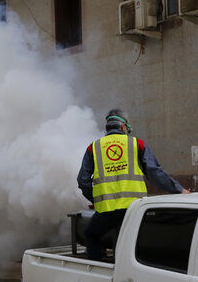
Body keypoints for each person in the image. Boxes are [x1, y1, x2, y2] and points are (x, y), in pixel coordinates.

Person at [77, 109, 187, 261]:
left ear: (107, 128)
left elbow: (82, 180)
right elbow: (154, 172)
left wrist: (96, 200)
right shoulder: (137, 144)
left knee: (91, 235)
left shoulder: (93, 147)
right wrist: (179, 190)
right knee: (136, 240)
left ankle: (97, 271)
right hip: (135, 209)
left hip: (107, 211)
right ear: (123, 127)